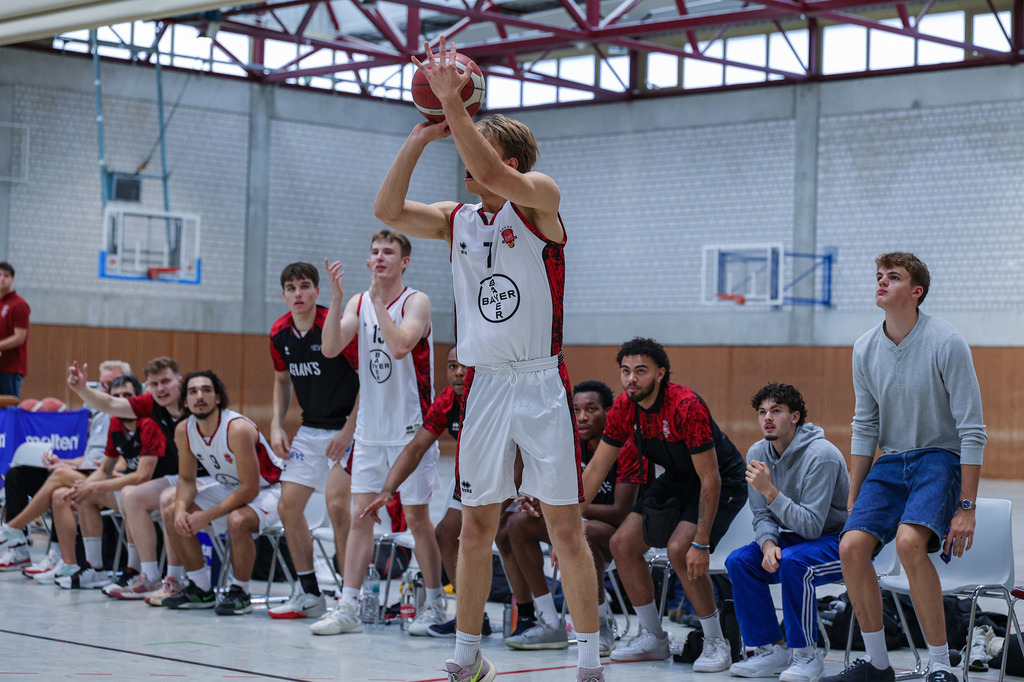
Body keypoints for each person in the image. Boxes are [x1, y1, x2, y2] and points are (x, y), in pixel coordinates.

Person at [374, 37, 604, 682]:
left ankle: (588, 663)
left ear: (502, 156)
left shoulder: (541, 199)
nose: (464, 167)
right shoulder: (457, 219)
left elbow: (502, 178)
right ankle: (467, 658)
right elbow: (388, 211)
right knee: (476, 526)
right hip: (484, 386)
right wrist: (423, 137)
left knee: (563, 525)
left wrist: (457, 107)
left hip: (539, 383)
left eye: (469, 152)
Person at [823, 253, 987, 682]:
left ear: (916, 292)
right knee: (851, 547)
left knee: (909, 543)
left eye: (892, 278)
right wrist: (855, 491)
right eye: (878, 276)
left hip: (940, 458)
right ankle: (878, 665)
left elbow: (972, 430)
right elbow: (865, 425)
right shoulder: (863, 348)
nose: (881, 282)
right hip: (890, 461)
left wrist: (966, 507)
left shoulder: (946, 342)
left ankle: (939, 665)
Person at [582, 337, 747, 672]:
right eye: (626, 371)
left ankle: (717, 642)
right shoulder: (624, 409)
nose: (631, 379)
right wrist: (568, 523)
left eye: (640, 371)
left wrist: (701, 542)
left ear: (660, 374)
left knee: (679, 550)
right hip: (677, 476)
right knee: (622, 543)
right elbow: (597, 468)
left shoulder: (686, 406)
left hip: (719, 479)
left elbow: (710, 478)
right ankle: (654, 638)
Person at [312, 229, 443, 636]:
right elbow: (331, 347)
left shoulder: (415, 300)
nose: (380, 257)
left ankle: (436, 605)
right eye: (374, 252)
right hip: (370, 431)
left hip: (410, 430)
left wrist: (379, 303)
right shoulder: (357, 300)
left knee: (419, 520)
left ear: (405, 261)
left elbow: (401, 344)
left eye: (389, 252)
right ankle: (348, 605)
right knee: (359, 518)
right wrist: (337, 300)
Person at [504, 380, 642, 657]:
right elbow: (553, 491)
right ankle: (550, 622)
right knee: (517, 524)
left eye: (591, 409)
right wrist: (541, 501)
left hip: (619, 532)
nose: (581, 416)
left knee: (583, 532)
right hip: (577, 522)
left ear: (608, 412)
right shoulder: (569, 444)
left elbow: (620, 511)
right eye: (576, 409)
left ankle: (601, 622)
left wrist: (559, 507)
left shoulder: (625, 446)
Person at [725, 383, 849, 682]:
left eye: (776, 411)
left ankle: (807, 654)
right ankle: (771, 649)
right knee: (739, 561)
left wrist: (769, 490)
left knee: (795, 562)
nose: (767, 418)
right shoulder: (757, 451)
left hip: (837, 541)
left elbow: (811, 526)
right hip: (791, 537)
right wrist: (768, 545)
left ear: (794, 417)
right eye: (762, 412)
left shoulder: (823, 456)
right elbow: (762, 514)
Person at [267, 262, 360, 619]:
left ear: (317, 292)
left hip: (349, 428)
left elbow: (367, 380)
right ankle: (309, 593)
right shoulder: (279, 332)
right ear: (284, 295)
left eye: (305, 286)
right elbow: (280, 381)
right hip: (310, 430)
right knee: (287, 506)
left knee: (337, 505)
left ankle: (350, 594)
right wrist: (277, 425)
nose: (298, 294)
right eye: (291, 288)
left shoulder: (333, 326)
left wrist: (350, 430)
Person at [66, 357, 194, 604]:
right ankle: (150, 576)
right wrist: (82, 389)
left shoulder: (197, 402)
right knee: (131, 495)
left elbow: (142, 474)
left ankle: (176, 578)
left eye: (166, 381)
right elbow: (111, 403)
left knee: (166, 497)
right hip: (181, 478)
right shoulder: (149, 404)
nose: (161, 389)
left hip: (209, 477)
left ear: (180, 381)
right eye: (155, 384)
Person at [161, 370, 283, 615]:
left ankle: (241, 591)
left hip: (272, 489)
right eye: (193, 391)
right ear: (185, 402)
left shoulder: (236, 429)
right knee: (171, 510)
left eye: (206, 390)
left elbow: (250, 488)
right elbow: (186, 479)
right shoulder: (184, 430)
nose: (200, 396)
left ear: (218, 398)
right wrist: (181, 509)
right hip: (232, 488)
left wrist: (206, 516)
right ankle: (201, 588)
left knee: (236, 521)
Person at [0, 360, 131, 573]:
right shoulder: (99, 415)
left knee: (60, 489)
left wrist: (99, 467)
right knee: (17, 475)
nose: (105, 389)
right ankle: (19, 549)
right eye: (103, 385)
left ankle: (19, 533)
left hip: (104, 478)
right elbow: (88, 458)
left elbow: (123, 461)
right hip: (84, 471)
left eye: (112, 385)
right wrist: (63, 462)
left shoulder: (127, 417)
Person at [51, 375, 173, 589]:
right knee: (84, 495)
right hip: (130, 489)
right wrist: (87, 486)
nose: (122, 401)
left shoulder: (148, 424)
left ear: (137, 400)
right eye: (116, 396)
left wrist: (95, 484)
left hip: (157, 494)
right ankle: (94, 569)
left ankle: (135, 571)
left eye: (127, 396)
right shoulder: (116, 424)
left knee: (129, 495)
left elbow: (141, 477)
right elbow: (105, 469)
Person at [0, 262, 30, 397]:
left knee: (9, 409)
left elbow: (19, 337)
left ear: (12, 279)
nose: (2, 279)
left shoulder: (19, 304)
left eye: (6, 276)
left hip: (10, 369)